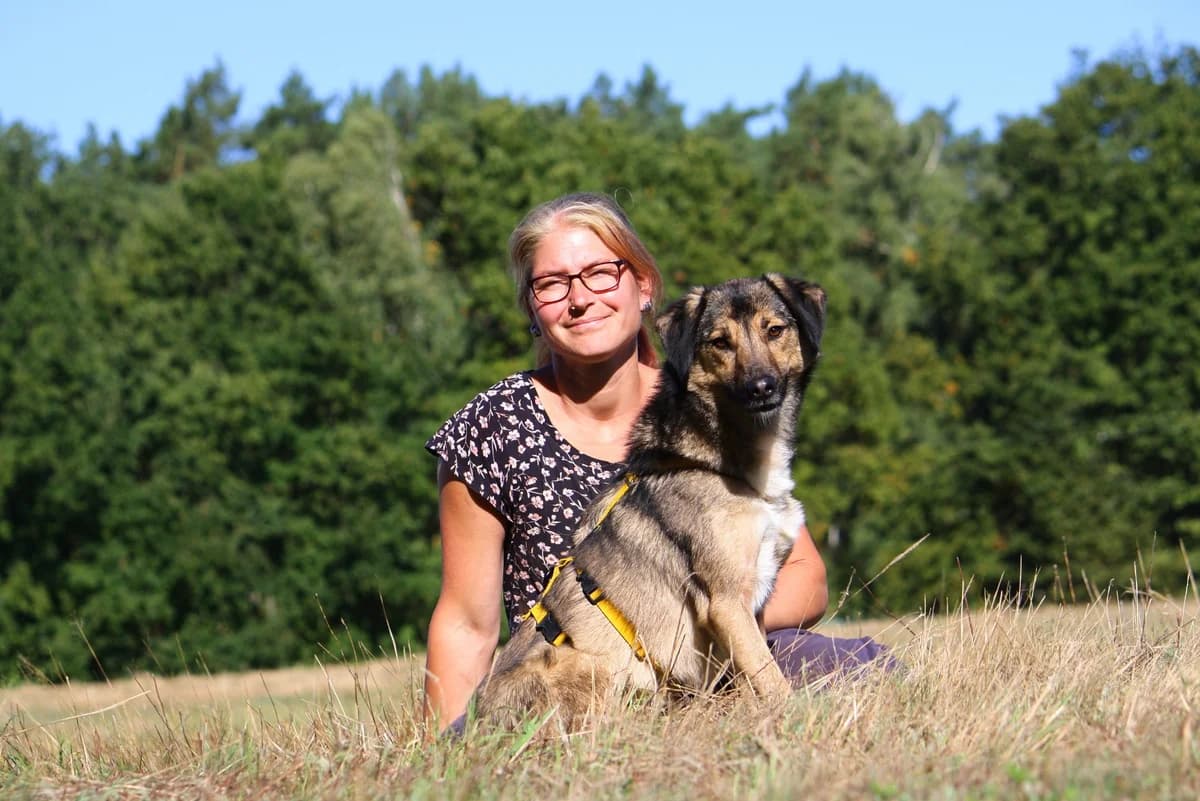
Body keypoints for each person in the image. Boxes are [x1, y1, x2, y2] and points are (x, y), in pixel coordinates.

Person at [423, 192, 893, 731]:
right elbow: (465, 623)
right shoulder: (492, 426)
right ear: (531, 306)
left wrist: (710, 619)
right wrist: (440, 756)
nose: (579, 298)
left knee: (863, 664)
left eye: (600, 273)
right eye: (552, 283)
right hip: (579, 682)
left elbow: (807, 581)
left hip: (720, 655)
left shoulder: (714, 400)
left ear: (643, 285)